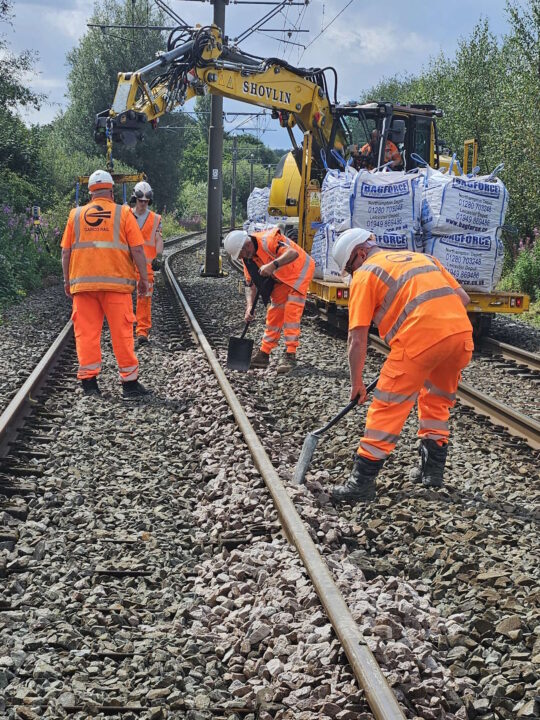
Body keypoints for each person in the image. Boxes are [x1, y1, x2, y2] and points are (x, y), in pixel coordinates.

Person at [330, 227, 474, 503]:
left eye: (350, 267)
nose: (351, 274)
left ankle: (361, 483)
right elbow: (463, 299)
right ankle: (432, 473)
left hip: (420, 339)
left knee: (388, 405)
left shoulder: (366, 274)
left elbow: (357, 338)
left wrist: (357, 384)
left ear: (360, 253)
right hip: (460, 337)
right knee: (437, 400)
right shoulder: (425, 259)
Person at [61, 169, 151, 400]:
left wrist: (67, 281)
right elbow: (138, 250)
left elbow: (66, 252)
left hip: (83, 286)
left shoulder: (76, 215)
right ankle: (129, 385)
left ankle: (90, 385)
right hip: (117, 287)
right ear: (111, 190)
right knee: (122, 334)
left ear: (90, 192)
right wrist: (143, 279)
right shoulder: (123, 214)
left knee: (87, 334)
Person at [224, 227, 315, 374]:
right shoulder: (247, 259)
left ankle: (290, 355)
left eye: (242, 253)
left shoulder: (268, 241)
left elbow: (293, 253)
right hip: (281, 278)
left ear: (247, 245)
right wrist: (248, 307)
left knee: (291, 311)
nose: (242, 257)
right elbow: (250, 284)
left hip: (299, 271)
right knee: (275, 311)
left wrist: (272, 265)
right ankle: (263, 354)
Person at [130, 181, 163, 346]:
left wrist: (159, 255)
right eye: (140, 200)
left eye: (146, 201)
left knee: (144, 298)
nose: (143, 203)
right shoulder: (126, 215)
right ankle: (125, 329)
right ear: (135, 198)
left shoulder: (156, 219)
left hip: (147, 267)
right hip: (126, 266)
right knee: (123, 299)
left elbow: (158, 239)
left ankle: (142, 332)